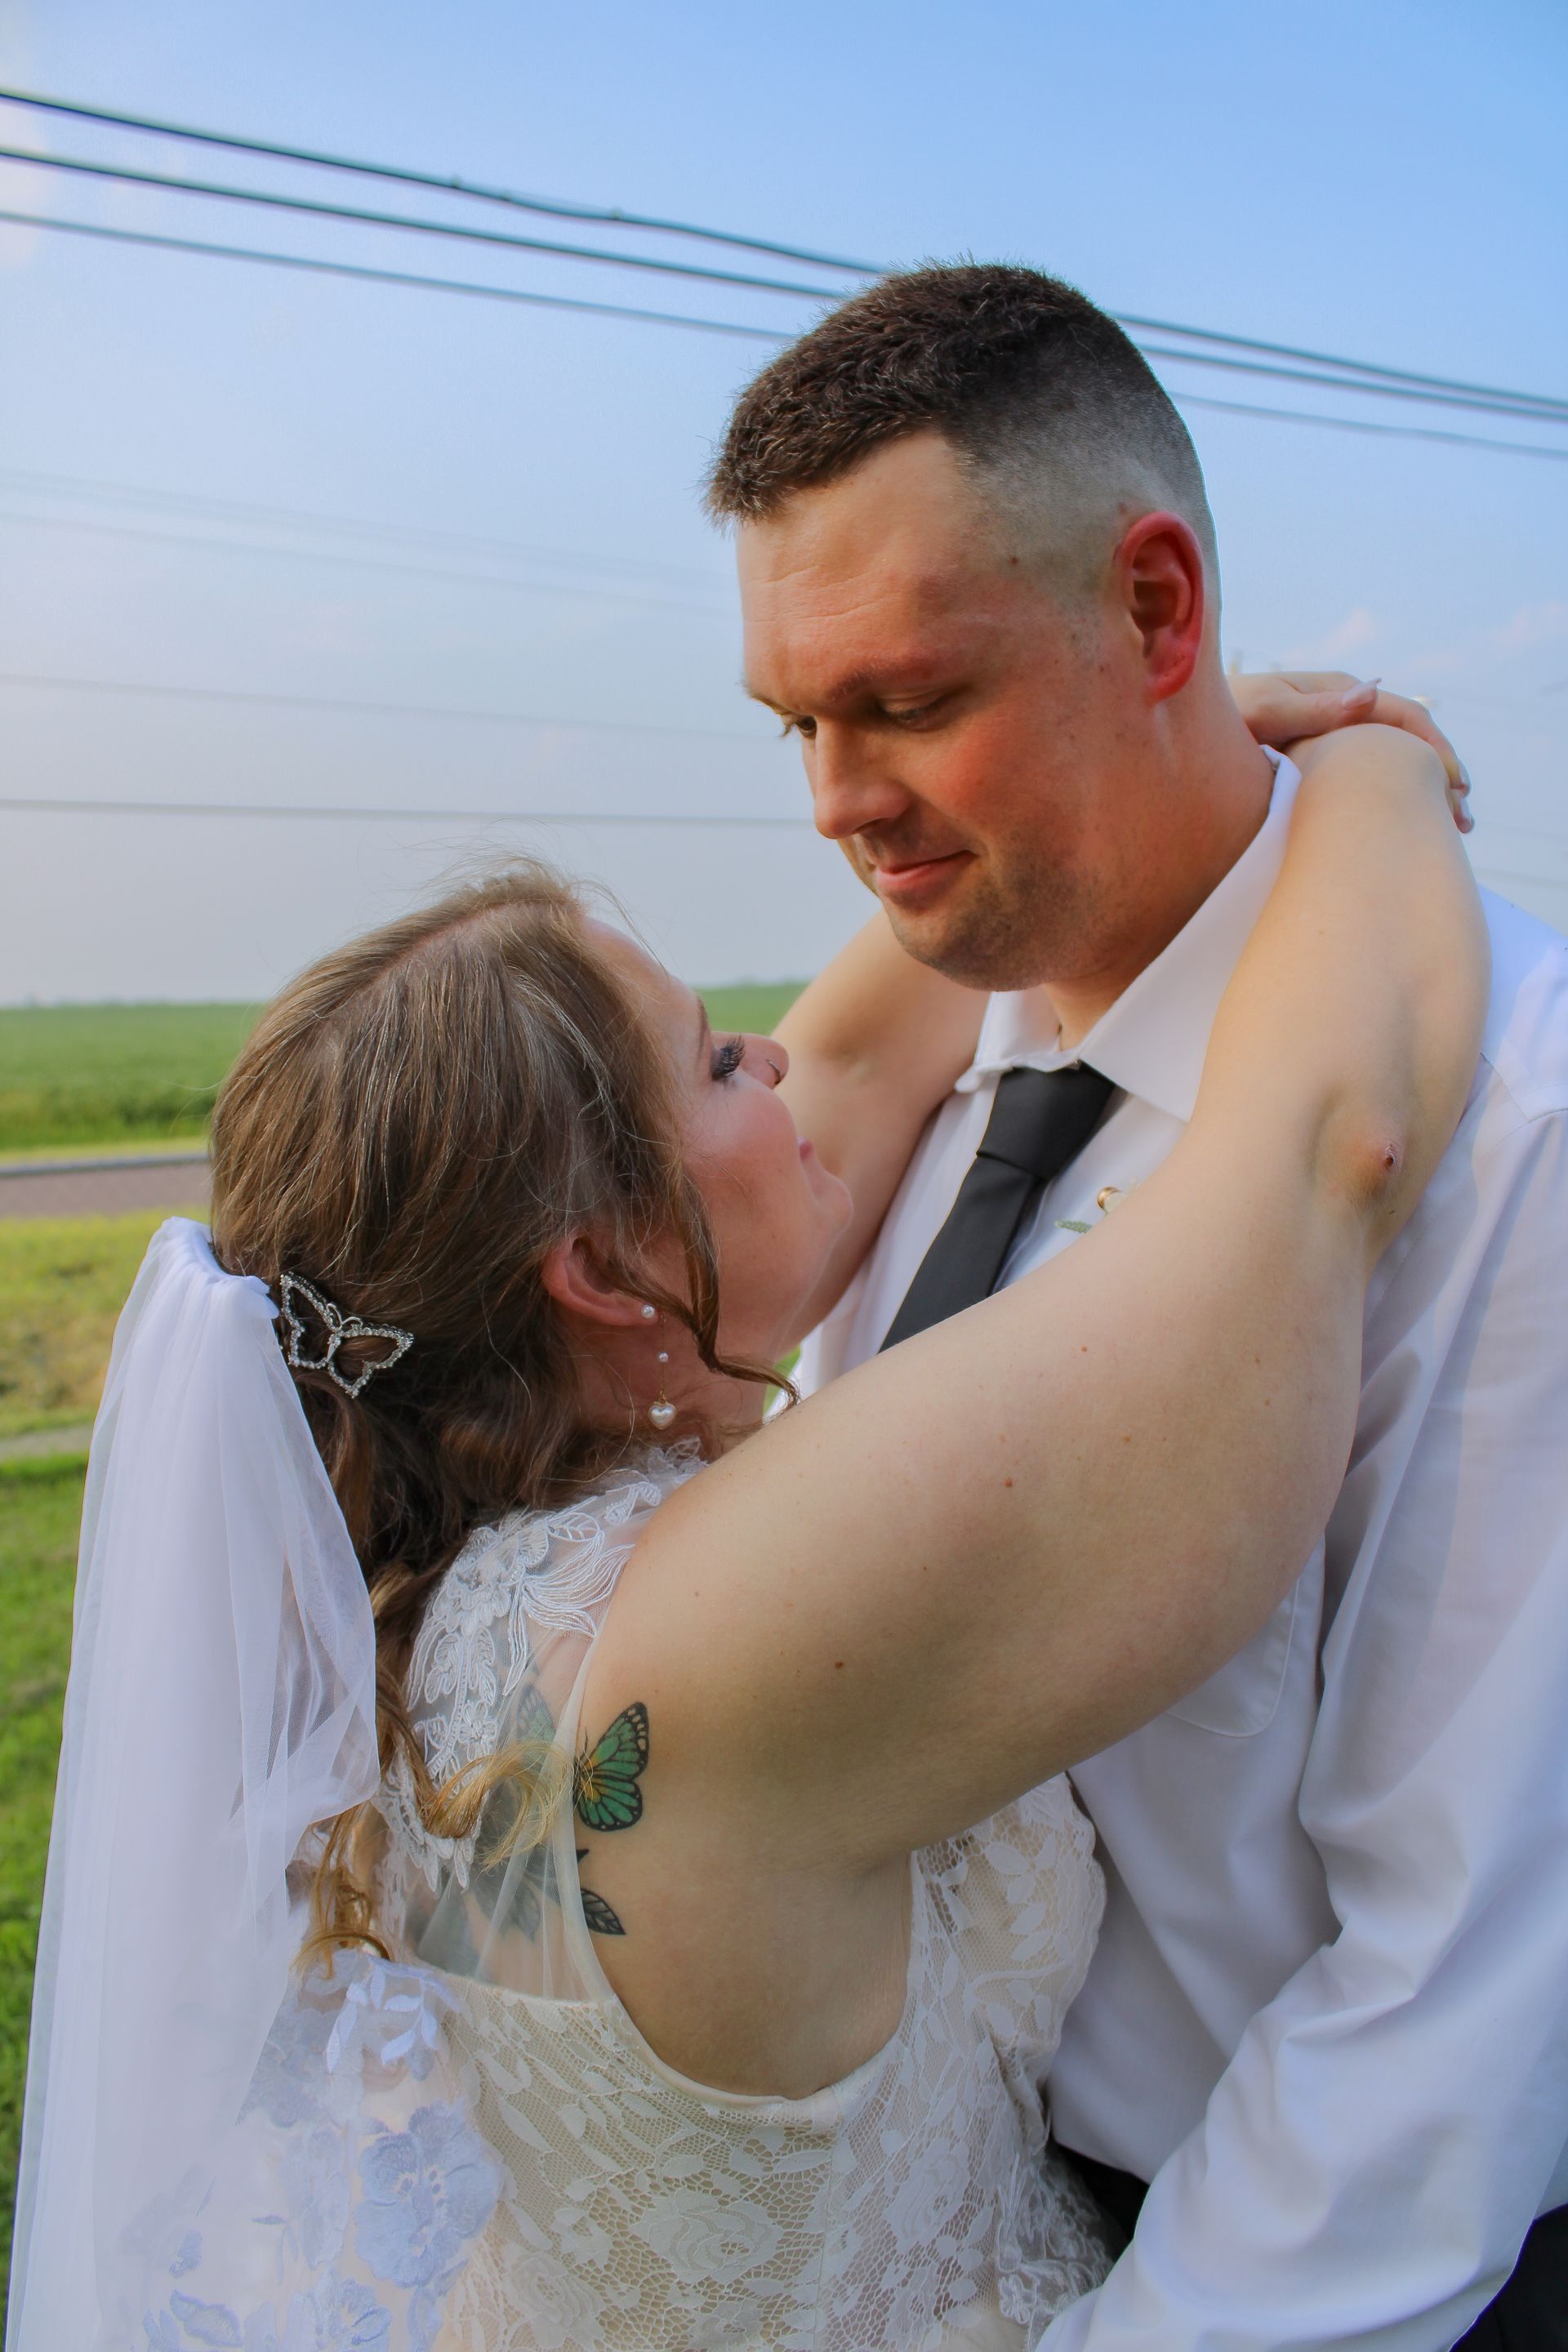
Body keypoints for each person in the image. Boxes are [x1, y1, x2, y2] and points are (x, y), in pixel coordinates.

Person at [10, 721, 1478, 2350]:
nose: (777, 1062)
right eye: (717, 1061)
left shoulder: (418, 1592)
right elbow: (1326, 1146)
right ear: (606, 1268)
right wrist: (1367, 773)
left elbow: (850, 1064)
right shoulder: (713, 1621)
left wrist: (1153, 758)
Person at [710, 262, 1568, 2350]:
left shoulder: (1517, 1129)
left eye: (907, 702)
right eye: (796, 724)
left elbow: (1460, 1973)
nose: (835, 800)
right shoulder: (901, 1078)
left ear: (1162, 614)